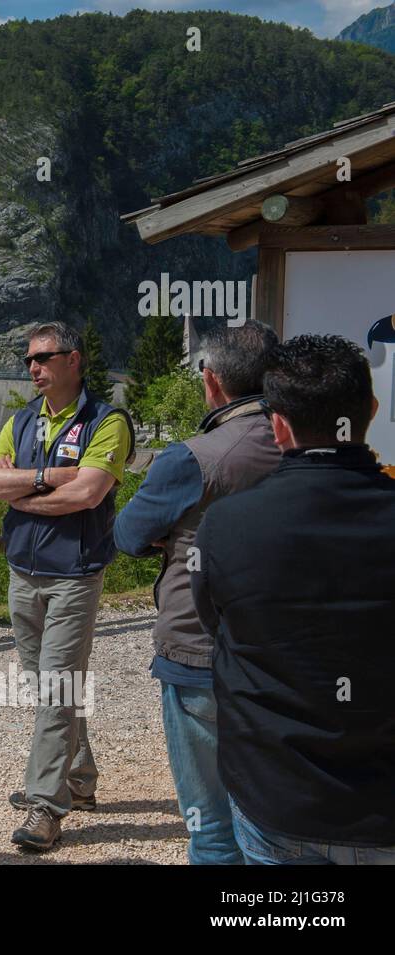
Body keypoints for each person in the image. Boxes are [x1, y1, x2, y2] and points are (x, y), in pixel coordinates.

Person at [193, 334, 395, 864]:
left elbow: (217, 627)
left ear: (277, 424)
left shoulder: (227, 526)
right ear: (370, 411)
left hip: (277, 797)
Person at [114, 321, 279, 865]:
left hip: (198, 651)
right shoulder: (307, 447)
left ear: (211, 382)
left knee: (210, 828)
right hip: (281, 659)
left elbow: (129, 535)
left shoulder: (191, 457)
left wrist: (177, 529)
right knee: (271, 825)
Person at [0, 321, 133, 851]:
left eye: (43, 358)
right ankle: (80, 778)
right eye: (28, 361)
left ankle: (45, 804)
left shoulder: (108, 422)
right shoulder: (21, 421)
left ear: (74, 360)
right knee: (47, 687)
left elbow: (87, 495)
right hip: (23, 571)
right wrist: (48, 478)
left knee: (57, 688)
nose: (34, 368)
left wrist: (22, 491)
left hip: (75, 574)